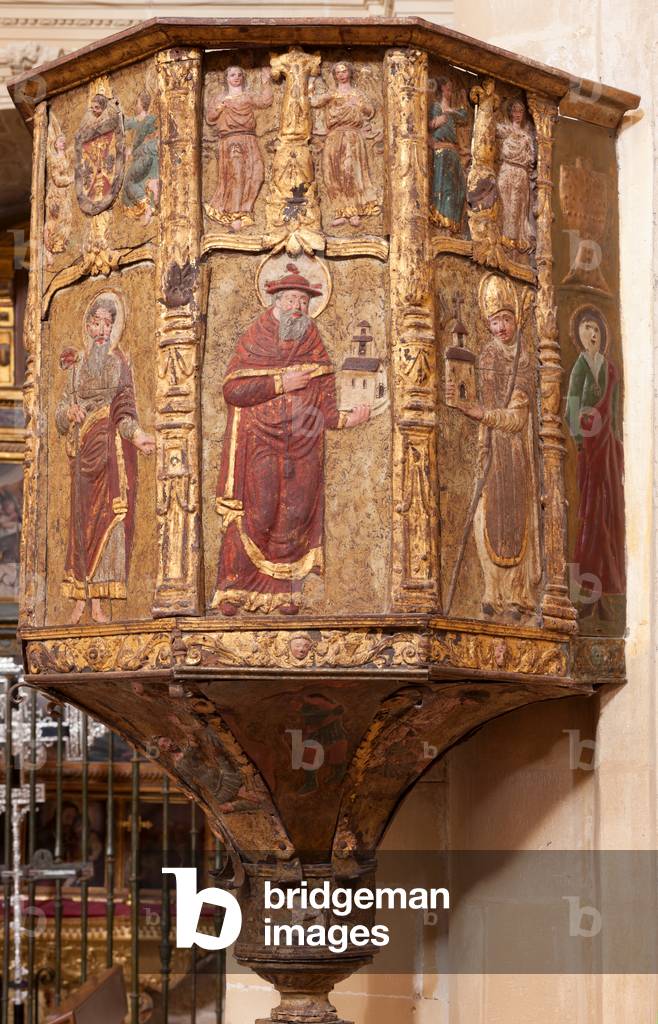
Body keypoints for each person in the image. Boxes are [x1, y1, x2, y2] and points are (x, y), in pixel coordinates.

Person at [212, 262, 370, 616]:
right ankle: (234, 588)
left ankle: (285, 592)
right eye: (292, 300)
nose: (298, 308)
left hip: (303, 445)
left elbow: (326, 397)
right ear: (276, 301)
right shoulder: (256, 337)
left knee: (294, 515)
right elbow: (232, 390)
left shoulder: (311, 338)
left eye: (303, 302)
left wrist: (348, 418)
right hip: (259, 443)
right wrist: (281, 383)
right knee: (259, 510)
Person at [56, 294, 155, 625]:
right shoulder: (78, 365)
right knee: (81, 526)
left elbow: (124, 409)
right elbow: (60, 409)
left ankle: (99, 601)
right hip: (83, 455)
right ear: (88, 325)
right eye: (97, 323)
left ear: (114, 328)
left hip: (111, 455)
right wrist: (68, 412)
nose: (102, 330)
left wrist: (137, 436)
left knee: (109, 521)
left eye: (108, 324)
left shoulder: (118, 365)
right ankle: (80, 600)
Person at [447, 274, 541, 620]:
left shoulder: (525, 359)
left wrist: (481, 412)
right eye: (493, 321)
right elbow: (468, 390)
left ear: (516, 317)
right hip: (489, 446)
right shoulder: (486, 355)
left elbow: (517, 419)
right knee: (486, 516)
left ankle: (518, 594)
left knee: (516, 517)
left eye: (505, 318)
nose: (500, 328)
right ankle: (492, 590)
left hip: (515, 450)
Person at [565, 305, 625, 618]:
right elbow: (571, 409)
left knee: (608, 516)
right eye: (587, 328)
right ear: (579, 334)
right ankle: (586, 596)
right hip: (589, 453)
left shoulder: (609, 368)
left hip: (608, 454)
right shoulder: (579, 367)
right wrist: (580, 443)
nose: (593, 334)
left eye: (597, 329)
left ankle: (605, 597)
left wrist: (617, 450)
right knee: (590, 518)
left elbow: (613, 415)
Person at [311, 61, 380, 228]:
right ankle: (340, 210)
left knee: (351, 172)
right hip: (334, 136)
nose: (341, 75)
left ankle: (355, 210)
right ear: (334, 76)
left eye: (344, 71)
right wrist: (311, 83)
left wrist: (359, 105)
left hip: (351, 136)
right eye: (338, 72)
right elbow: (314, 102)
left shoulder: (357, 93)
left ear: (349, 73)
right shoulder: (332, 94)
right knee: (332, 173)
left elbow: (370, 111)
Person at [204, 65, 273, 232]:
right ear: (226, 79)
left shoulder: (248, 96)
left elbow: (265, 101)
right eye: (232, 75)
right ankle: (235, 214)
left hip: (249, 138)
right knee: (237, 174)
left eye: (239, 75)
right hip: (231, 140)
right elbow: (210, 118)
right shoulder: (221, 98)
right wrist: (220, 107)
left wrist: (266, 82)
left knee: (257, 173)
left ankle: (245, 210)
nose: (236, 78)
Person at [429, 76, 469, 232]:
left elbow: (464, 117)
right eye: (447, 88)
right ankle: (441, 219)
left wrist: (464, 99)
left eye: (451, 89)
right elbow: (430, 124)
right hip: (442, 151)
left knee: (457, 188)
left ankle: (453, 222)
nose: (450, 92)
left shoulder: (450, 110)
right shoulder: (437, 107)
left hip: (453, 151)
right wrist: (443, 118)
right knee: (444, 185)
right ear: (441, 89)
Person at [496, 98, 535, 252]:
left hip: (520, 172)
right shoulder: (504, 130)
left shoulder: (526, 137)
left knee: (517, 206)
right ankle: (501, 236)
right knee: (504, 203)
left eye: (520, 111)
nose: (517, 114)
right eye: (515, 111)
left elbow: (531, 158)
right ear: (510, 113)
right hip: (506, 170)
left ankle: (513, 239)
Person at [123, 90, 159, 223]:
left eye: (136, 103)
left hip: (145, 156)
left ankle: (146, 207)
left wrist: (131, 150)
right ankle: (152, 191)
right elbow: (125, 123)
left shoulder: (147, 120)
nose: (134, 106)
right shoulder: (140, 120)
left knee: (128, 183)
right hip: (150, 159)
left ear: (142, 104)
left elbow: (139, 137)